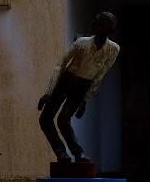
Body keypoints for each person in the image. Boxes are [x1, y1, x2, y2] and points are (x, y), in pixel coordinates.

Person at [39, 11, 120, 163]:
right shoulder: (82, 43)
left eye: (97, 23)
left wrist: (85, 99)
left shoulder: (113, 49)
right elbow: (60, 65)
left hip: (83, 86)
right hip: (67, 81)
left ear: (104, 28)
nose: (93, 25)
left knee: (63, 120)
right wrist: (49, 92)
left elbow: (100, 75)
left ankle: (78, 154)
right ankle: (61, 152)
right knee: (45, 119)